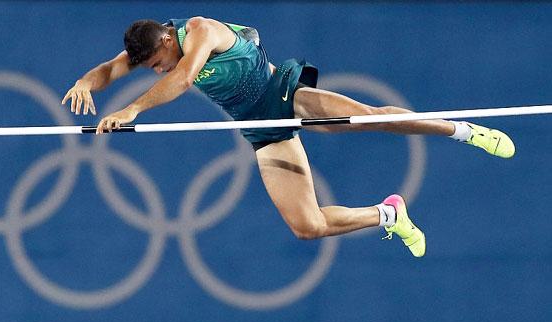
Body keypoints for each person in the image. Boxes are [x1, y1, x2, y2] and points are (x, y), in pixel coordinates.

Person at [62, 17, 515, 258]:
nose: (154, 70)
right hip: (263, 130)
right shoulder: (153, 46)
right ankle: (387, 215)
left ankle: (462, 131)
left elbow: (181, 79)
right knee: (307, 226)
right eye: (147, 70)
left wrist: (134, 107)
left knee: (373, 118)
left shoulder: (199, 31)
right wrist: (87, 82)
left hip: (283, 95)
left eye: (155, 63)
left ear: (165, 40)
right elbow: (110, 70)